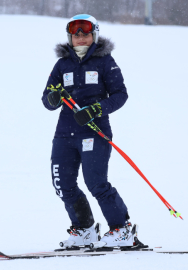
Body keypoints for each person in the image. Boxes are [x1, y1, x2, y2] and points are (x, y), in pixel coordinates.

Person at [41, 14, 145, 249]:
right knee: (63, 184)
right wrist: (53, 97)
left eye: (85, 34)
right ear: (70, 37)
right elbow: (47, 102)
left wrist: (96, 109)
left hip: (94, 131)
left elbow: (120, 95)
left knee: (95, 182)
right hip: (64, 134)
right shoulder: (61, 64)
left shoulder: (105, 61)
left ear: (94, 35)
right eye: (76, 34)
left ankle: (122, 230)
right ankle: (84, 230)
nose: (80, 38)